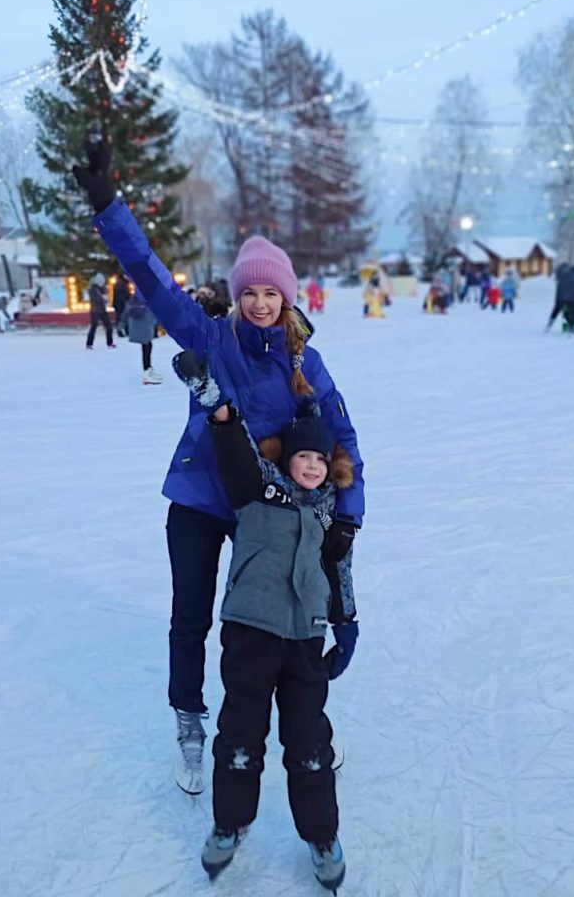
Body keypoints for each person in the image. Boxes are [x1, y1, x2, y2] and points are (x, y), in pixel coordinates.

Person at [71, 140, 364, 794]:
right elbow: (148, 275)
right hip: (201, 499)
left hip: (265, 509)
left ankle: (306, 726)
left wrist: (347, 517)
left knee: (284, 617)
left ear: (287, 300)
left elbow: (341, 437)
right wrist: (107, 207)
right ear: (236, 295)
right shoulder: (208, 336)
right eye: (250, 291)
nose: (260, 302)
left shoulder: (303, 363)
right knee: (190, 617)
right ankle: (188, 723)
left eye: (271, 293)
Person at [172, 349, 357, 891]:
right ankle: (229, 825)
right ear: (289, 458)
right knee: (240, 734)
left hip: (304, 639)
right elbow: (231, 439)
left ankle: (322, 835)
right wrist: (210, 393)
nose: (313, 465)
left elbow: (339, 574)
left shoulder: (328, 517)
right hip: (251, 631)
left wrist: (345, 624)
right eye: (304, 457)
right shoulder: (259, 491)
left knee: (308, 743)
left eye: (321, 461)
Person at [119, 291, 162, 384]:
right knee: (147, 348)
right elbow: (153, 311)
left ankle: (148, 369)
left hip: (139, 325)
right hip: (145, 325)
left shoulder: (135, 298)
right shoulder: (146, 297)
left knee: (147, 346)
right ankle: (147, 373)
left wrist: (122, 323)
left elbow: (126, 310)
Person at [85, 272, 116, 349]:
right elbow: (95, 299)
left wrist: (105, 296)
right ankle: (89, 343)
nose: (102, 283)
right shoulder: (93, 289)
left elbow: (105, 296)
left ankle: (110, 342)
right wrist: (102, 298)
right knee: (93, 327)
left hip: (102, 310)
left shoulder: (103, 288)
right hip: (95, 310)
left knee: (109, 326)